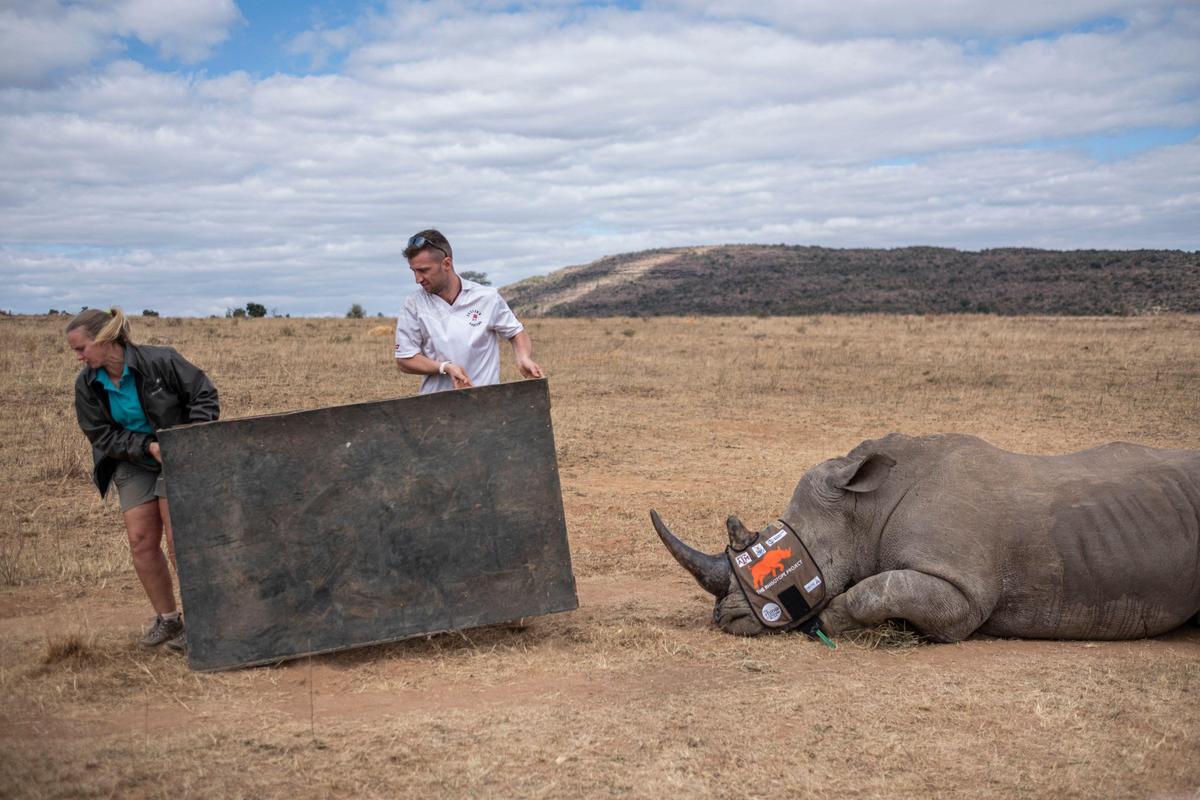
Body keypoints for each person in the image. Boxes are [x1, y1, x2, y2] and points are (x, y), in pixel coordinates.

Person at [67, 307, 219, 654]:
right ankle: (168, 619)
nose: (77, 357)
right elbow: (101, 435)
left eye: (81, 348)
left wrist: (184, 440)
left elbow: (204, 396)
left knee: (178, 539)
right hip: (133, 458)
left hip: (176, 455)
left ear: (105, 340)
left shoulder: (161, 360)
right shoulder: (88, 384)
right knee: (140, 540)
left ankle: (204, 622)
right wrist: (146, 446)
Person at [395, 229, 544, 393]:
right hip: (435, 407)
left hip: (486, 402)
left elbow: (516, 332)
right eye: (414, 271)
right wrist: (444, 367)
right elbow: (405, 359)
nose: (418, 279)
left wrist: (523, 357)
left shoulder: (487, 297)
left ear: (446, 264)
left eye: (423, 270)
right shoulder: (414, 304)